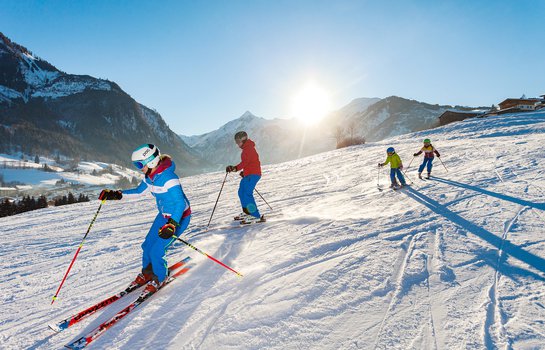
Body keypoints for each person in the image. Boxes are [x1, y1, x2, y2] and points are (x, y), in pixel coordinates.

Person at [98, 144, 191, 293]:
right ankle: (148, 273)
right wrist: (116, 194)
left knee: (157, 250)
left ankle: (160, 278)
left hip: (179, 217)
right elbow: (138, 192)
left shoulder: (169, 178)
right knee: (147, 246)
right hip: (163, 216)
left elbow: (180, 203)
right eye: (136, 165)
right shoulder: (150, 178)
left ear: (151, 161)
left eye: (140, 164)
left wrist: (172, 224)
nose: (138, 168)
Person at [226, 131, 265, 224]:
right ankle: (247, 212)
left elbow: (245, 162)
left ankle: (255, 215)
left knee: (247, 194)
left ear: (243, 139)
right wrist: (245, 172)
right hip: (249, 174)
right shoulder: (246, 149)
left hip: (253, 174)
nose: (237, 143)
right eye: (236, 141)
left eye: (238, 141)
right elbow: (250, 163)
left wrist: (234, 168)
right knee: (241, 192)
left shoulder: (249, 149)